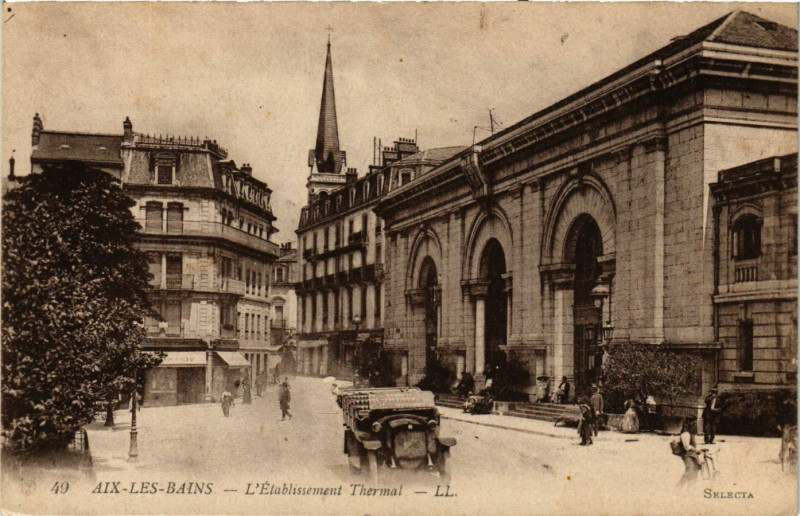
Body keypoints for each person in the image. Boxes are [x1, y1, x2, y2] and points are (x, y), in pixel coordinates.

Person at [678, 418, 702, 488]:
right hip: (687, 455)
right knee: (689, 471)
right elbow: (686, 447)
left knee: (695, 470)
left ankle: (691, 488)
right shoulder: (685, 434)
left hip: (693, 454)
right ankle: (679, 486)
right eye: (693, 423)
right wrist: (696, 449)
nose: (695, 425)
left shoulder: (691, 434)